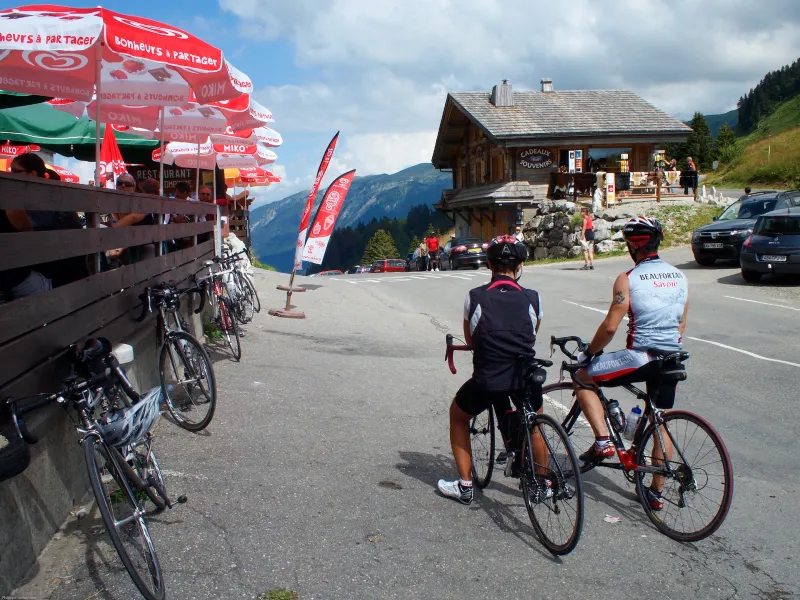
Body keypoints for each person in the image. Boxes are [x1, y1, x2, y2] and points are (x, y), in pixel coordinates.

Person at [570, 216, 688, 511]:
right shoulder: (679, 276)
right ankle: (656, 492)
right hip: (671, 356)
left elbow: (610, 327)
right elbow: (681, 324)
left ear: (632, 247)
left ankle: (602, 442)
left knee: (583, 377)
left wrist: (588, 353)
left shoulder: (628, 278)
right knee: (660, 417)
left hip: (642, 356)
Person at [437, 235, 544, 505]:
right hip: (526, 375)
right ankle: (541, 485)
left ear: (489, 264)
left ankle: (464, 486)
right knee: (537, 424)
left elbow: (472, 341)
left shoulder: (475, 297)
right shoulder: (533, 298)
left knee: (458, 415)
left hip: (490, 376)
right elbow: (532, 334)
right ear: (519, 266)